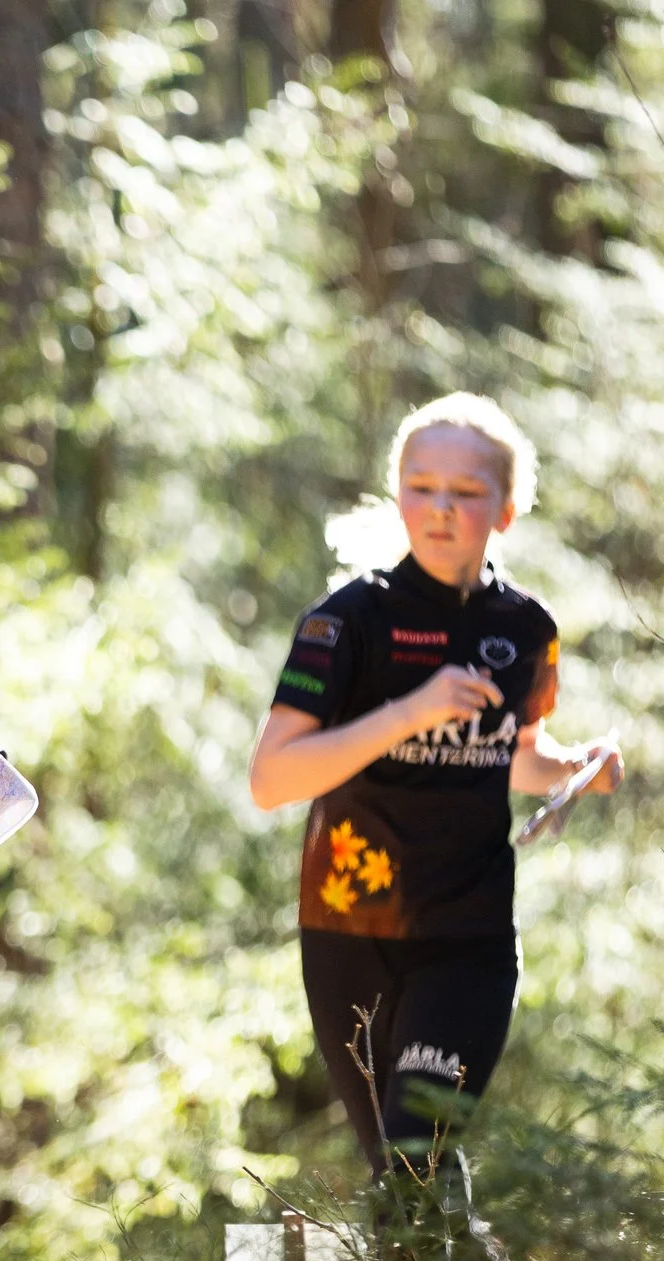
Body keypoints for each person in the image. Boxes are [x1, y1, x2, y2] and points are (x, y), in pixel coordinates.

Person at [248, 393, 624, 1214]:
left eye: (465, 491)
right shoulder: (347, 622)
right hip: (348, 933)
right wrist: (407, 712)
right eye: (421, 487)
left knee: (416, 1153)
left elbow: (513, 756)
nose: (441, 509)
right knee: (399, 1170)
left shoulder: (525, 628)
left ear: (507, 509)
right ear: (397, 497)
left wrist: (575, 766)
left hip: (469, 937)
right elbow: (272, 778)